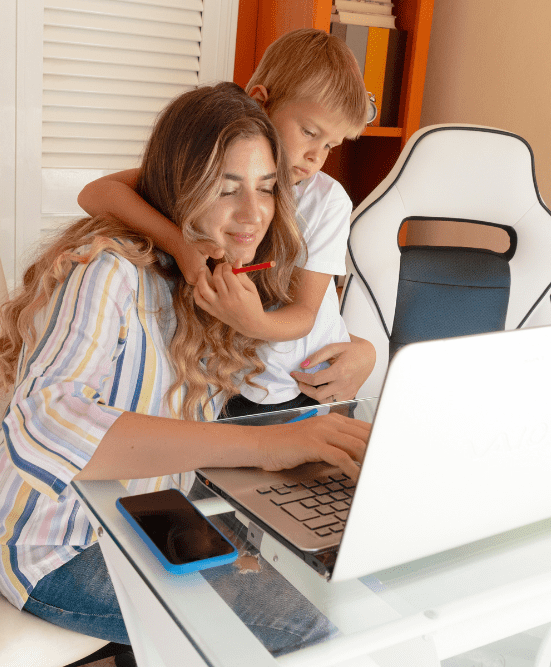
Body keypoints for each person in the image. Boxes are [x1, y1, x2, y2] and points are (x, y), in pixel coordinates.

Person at [0, 82, 371, 654]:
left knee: (344, 586)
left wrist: (363, 350)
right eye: (226, 188)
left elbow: (293, 343)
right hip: (60, 550)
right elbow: (44, 422)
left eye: (266, 189)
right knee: (312, 628)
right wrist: (264, 448)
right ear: (179, 185)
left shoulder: (217, 280)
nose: (253, 213)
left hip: (150, 517)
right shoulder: (109, 271)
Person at [78, 29, 374, 417]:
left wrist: (254, 323)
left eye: (330, 146)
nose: (316, 157)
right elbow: (96, 194)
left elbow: (306, 313)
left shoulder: (324, 200)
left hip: (303, 385)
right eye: (309, 133)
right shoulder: (208, 167)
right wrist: (179, 244)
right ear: (260, 104)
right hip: (231, 377)